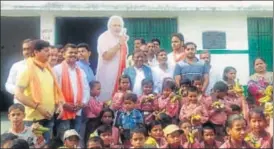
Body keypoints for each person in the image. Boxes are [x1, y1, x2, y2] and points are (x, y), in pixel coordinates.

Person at [15, 39, 64, 143]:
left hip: (49, 116)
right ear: (36, 52)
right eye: (46, 50)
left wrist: (59, 105)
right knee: (33, 145)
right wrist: (38, 107)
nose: (49, 53)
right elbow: (18, 94)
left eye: (49, 50)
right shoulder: (27, 70)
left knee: (45, 145)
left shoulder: (48, 69)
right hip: (33, 118)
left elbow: (54, 91)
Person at [53, 43, 90, 139]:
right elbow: (54, 90)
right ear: (64, 54)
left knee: (75, 139)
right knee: (64, 138)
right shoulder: (57, 70)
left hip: (78, 110)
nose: (73, 54)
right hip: (63, 110)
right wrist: (64, 104)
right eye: (70, 52)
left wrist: (83, 103)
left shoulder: (80, 71)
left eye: (75, 53)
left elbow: (86, 89)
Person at [96, 15, 129, 102]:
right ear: (109, 26)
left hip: (120, 76)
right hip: (107, 76)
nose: (117, 28)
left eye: (119, 26)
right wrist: (119, 44)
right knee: (106, 103)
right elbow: (106, 56)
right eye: (114, 25)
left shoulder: (122, 38)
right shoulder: (104, 37)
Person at [6, 39, 33, 104]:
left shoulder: (42, 66)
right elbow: (8, 84)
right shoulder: (17, 66)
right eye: (24, 49)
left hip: (38, 105)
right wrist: (19, 91)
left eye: (29, 49)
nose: (26, 52)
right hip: (20, 105)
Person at [83, 81, 104, 146]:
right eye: (98, 89)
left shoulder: (94, 99)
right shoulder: (90, 99)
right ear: (91, 90)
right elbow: (97, 111)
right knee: (91, 136)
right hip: (92, 121)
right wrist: (102, 104)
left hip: (95, 121)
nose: (100, 91)